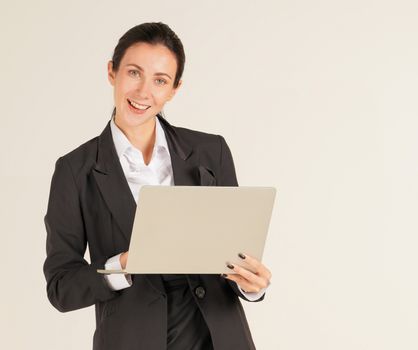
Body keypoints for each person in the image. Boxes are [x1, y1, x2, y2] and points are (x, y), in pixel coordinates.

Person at [43, 22, 272, 350]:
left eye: (160, 80)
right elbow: (61, 288)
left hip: (218, 338)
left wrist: (252, 285)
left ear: (174, 89)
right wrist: (120, 266)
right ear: (112, 72)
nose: (143, 92)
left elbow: (233, 255)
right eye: (134, 73)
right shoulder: (75, 170)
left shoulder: (211, 151)